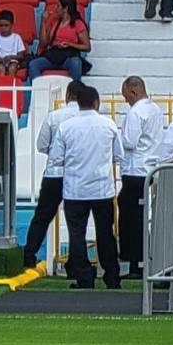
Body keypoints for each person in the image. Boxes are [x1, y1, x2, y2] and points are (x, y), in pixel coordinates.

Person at [48, 85, 123, 289]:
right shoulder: (108, 125)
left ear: (77, 103)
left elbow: (55, 158)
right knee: (106, 234)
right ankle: (112, 277)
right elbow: (119, 155)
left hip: (75, 189)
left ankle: (84, 278)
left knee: (76, 235)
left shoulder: (66, 127)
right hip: (102, 189)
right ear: (96, 103)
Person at [22, 80, 84, 268]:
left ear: (68, 96)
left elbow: (41, 145)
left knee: (42, 215)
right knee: (77, 220)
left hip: (54, 173)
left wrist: (56, 152)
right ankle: (76, 261)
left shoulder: (54, 116)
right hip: (78, 173)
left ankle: (29, 254)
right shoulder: (87, 119)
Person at [117, 76, 164, 279]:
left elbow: (129, 141)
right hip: (149, 168)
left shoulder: (136, 112)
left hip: (135, 169)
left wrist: (117, 135)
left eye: (126, 96)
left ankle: (136, 263)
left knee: (131, 219)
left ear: (133, 92)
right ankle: (143, 259)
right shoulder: (156, 109)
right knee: (140, 218)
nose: (126, 100)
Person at [28, 0, 90, 81]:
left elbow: (87, 47)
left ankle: (73, 92)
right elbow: (43, 43)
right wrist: (43, 21)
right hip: (53, 56)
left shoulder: (78, 24)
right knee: (33, 64)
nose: (55, 8)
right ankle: (39, 92)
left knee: (76, 63)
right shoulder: (54, 21)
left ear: (66, 8)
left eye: (58, 6)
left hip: (68, 56)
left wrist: (70, 44)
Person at [0, 10, 29, 77]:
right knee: (1, 68)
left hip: (13, 60)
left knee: (12, 68)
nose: (3, 28)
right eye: (1, 25)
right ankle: (1, 86)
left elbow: (21, 56)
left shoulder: (17, 37)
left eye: (6, 25)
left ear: (12, 24)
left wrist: (10, 57)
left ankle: (10, 86)